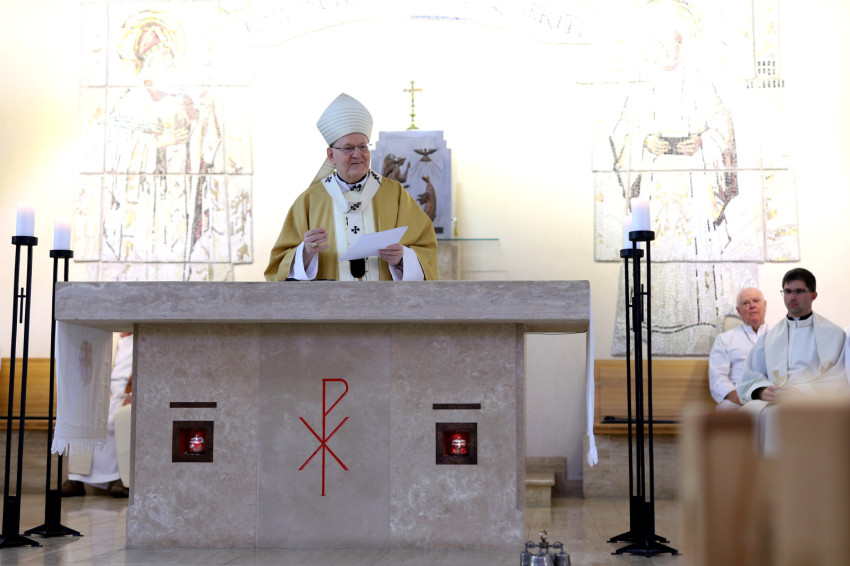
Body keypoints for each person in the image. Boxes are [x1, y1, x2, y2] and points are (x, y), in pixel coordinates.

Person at [265, 93, 438, 281]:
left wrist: (402, 259)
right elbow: (279, 267)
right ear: (331, 155)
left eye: (363, 146)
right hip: (330, 300)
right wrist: (305, 253)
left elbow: (426, 248)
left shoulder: (395, 195)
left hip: (384, 299)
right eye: (348, 148)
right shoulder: (310, 200)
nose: (358, 154)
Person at [737, 269, 848, 452]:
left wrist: (800, 391)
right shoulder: (769, 337)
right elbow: (750, 375)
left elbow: (839, 379)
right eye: (788, 291)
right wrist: (762, 391)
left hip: (813, 401)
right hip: (773, 399)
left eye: (799, 291)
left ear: (813, 295)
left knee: (782, 416)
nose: (792, 297)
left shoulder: (834, 334)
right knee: (747, 415)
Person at [62, 332, 133, 497]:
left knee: (122, 418)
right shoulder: (109, 338)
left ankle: (125, 480)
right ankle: (76, 479)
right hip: (105, 393)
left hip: (129, 395)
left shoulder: (145, 338)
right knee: (83, 416)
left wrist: (134, 393)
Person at [708, 287, 768, 410]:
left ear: (765, 305)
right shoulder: (724, 340)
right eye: (746, 303)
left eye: (756, 301)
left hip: (771, 396)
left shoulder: (781, 336)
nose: (752, 306)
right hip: (737, 398)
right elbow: (718, 378)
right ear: (738, 311)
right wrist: (738, 397)